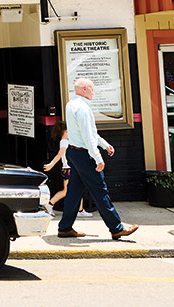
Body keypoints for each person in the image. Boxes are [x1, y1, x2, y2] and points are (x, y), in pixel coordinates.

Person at [56, 77, 138, 239]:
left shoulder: (71, 104)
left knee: (74, 191)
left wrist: (104, 143)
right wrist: (98, 158)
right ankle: (116, 228)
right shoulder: (83, 109)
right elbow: (88, 136)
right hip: (84, 154)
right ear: (85, 89)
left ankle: (65, 227)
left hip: (73, 153)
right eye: (92, 89)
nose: (94, 92)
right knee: (100, 190)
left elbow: (86, 133)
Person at [42, 121, 92, 216]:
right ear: (67, 131)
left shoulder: (66, 141)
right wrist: (51, 164)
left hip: (70, 169)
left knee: (78, 189)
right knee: (67, 191)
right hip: (69, 169)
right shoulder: (65, 142)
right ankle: (49, 205)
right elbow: (60, 154)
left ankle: (80, 210)